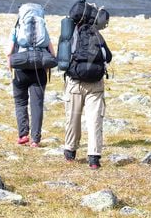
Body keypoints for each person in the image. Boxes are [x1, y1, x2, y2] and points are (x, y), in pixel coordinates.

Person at [63, 12, 112, 170]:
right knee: (95, 120)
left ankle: (70, 151)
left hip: (75, 83)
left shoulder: (71, 34)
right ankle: (94, 158)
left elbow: (63, 58)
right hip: (95, 84)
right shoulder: (97, 35)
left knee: (73, 118)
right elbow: (108, 56)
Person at [6, 11, 55, 148]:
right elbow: (52, 52)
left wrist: (10, 68)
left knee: (20, 103)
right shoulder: (42, 28)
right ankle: (35, 140)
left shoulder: (17, 28)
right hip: (39, 70)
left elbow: (9, 52)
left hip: (21, 70)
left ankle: (23, 135)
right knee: (37, 104)